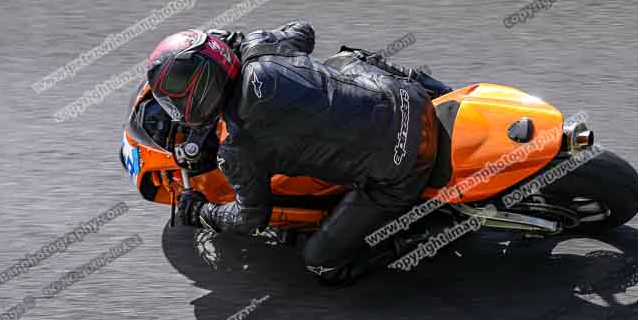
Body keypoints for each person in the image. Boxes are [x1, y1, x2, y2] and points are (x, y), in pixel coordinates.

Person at [146, 21, 452, 285]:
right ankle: (439, 90)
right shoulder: (260, 47)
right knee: (343, 59)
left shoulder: (237, 151)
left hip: (404, 166)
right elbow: (304, 31)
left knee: (322, 263)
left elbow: (250, 219)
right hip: (408, 96)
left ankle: (421, 236)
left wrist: (202, 213)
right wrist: (241, 42)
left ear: (200, 93)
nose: (176, 109)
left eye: (176, 101)